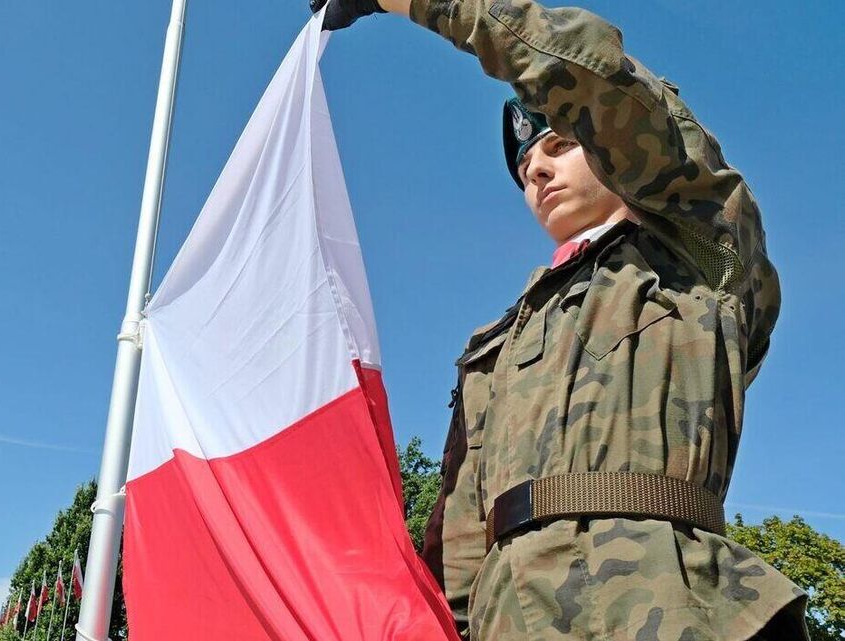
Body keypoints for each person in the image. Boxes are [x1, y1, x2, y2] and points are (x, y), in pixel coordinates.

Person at [310, 1, 809, 639]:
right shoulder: (495, 346)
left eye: (560, 144)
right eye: (524, 167)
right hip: (512, 619)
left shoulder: (699, 249)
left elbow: (594, 75)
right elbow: (458, 552)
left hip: (667, 605)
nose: (536, 171)